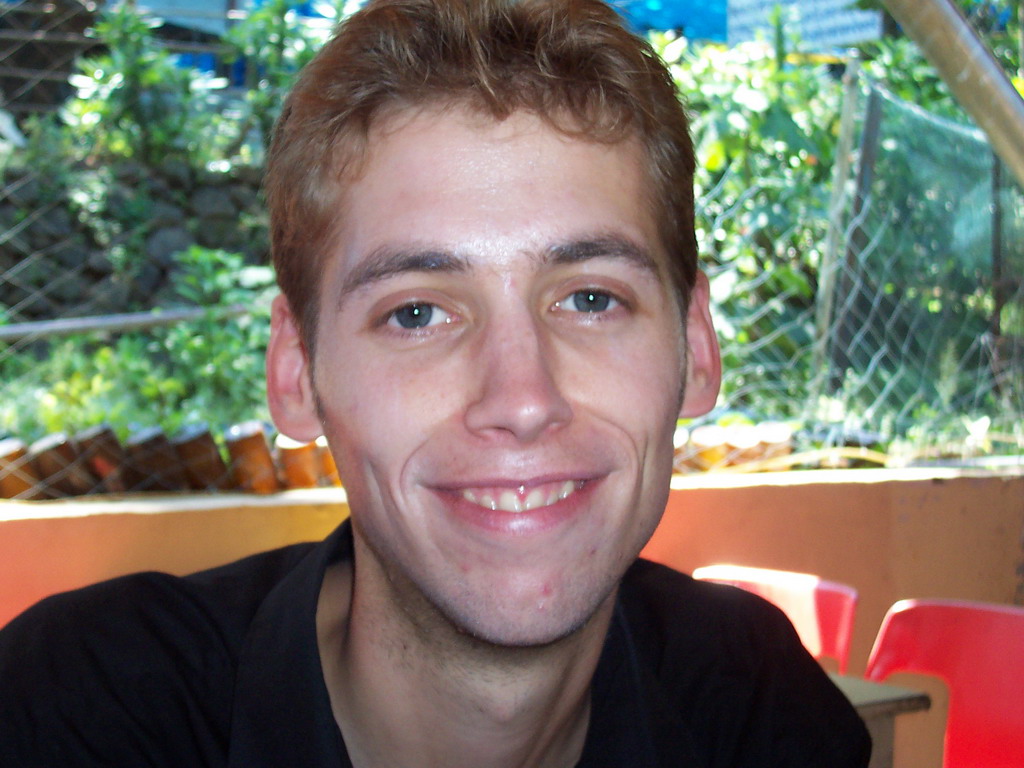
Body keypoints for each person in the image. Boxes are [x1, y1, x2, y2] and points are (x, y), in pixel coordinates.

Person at [0, 1, 871, 765]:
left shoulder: (754, 708)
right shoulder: (80, 712)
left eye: (591, 298)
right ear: (297, 371)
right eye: (417, 313)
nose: (523, 400)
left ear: (695, 345)